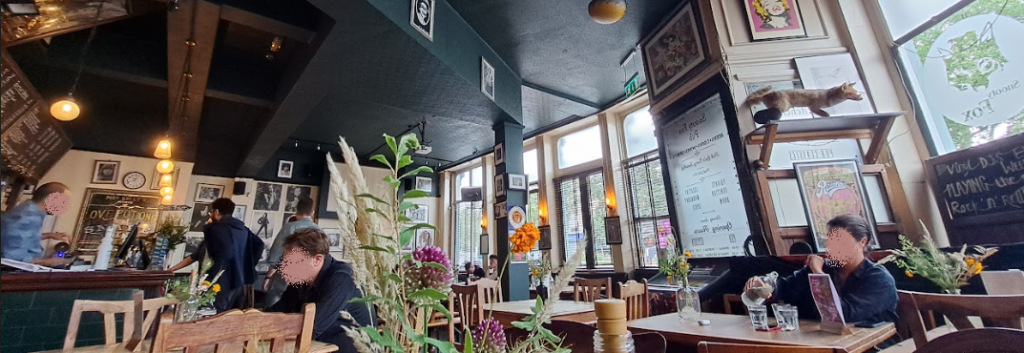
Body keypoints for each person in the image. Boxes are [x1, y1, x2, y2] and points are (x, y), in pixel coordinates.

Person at [744, 215, 897, 325]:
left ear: (862, 242)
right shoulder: (828, 267)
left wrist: (818, 273)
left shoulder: (879, 278)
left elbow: (842, 314)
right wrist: (764, 286)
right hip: (825, 342)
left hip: (870, 346)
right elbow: (785, 287)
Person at [267, 228, 375, 351]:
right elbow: (279, 311)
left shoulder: (341, 278)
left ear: (317, 260)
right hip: (320, 346)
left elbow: (312, 328)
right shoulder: (301, 277)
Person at [201, 198, 264, 313]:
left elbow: (224, 254)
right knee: (230, 316)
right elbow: (259, 245)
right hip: (239, 281)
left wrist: (210, 278)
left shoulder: (216, 229)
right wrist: (245, 265)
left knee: (212, 315)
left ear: (216, 212)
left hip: (221, 281)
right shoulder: (242, 229)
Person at [264, 197, 319, 307]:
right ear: (312, 213)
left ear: (296, 211)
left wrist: (269, 276)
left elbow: (277, 252)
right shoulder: (319, 231)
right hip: (309, 277)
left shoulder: (289, 228)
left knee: (276, 301)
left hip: (287, 274)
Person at [1, 182, 72, 266]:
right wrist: (47, 262)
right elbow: (12, 257)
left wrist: (50, 235)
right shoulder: (28, 216)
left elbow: (21, 237)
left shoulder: (30, 211)